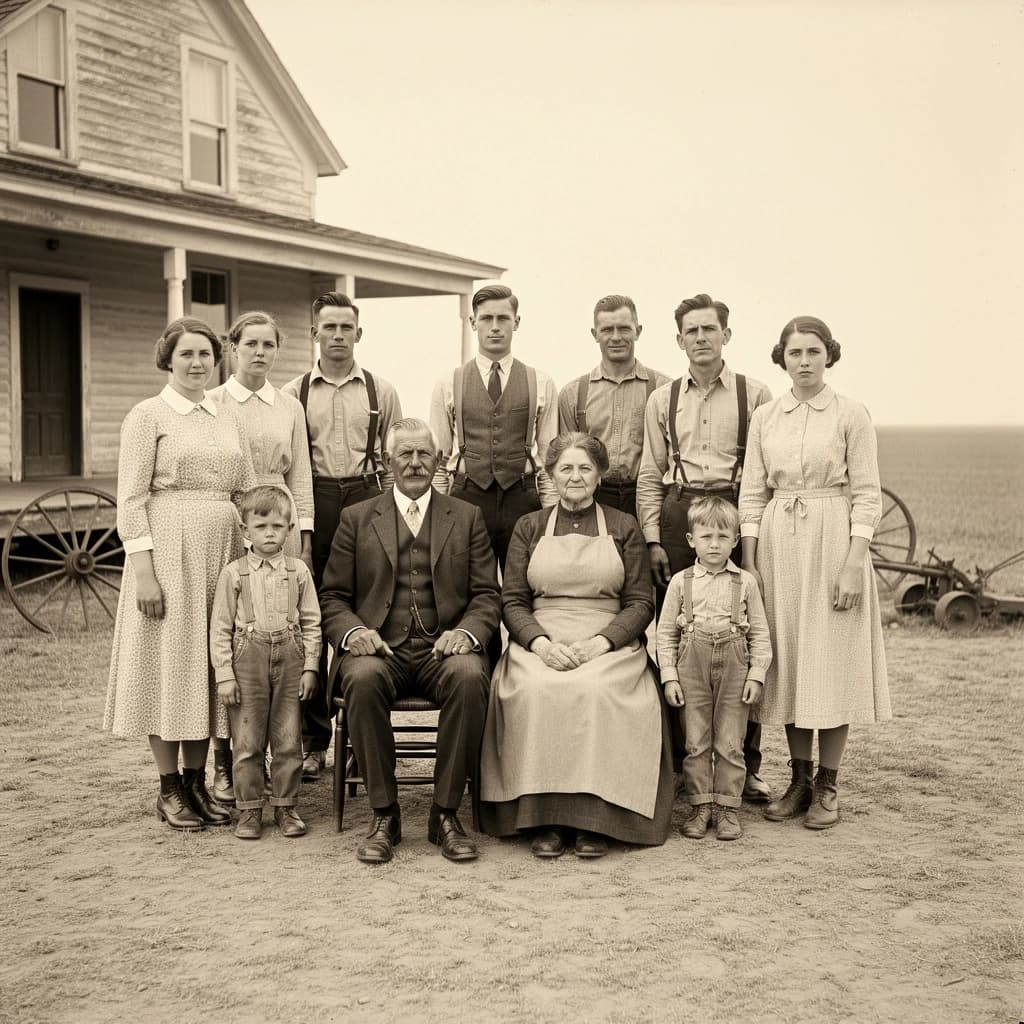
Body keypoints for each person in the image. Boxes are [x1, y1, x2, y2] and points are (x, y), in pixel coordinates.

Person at [479, 432, 675, 859]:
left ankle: (596, 820)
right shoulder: (529, 527)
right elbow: (511, 599)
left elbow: (641, 602)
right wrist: (541, 645)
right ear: (550, 474)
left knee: (597, 690)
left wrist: (602, 644)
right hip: (542, 638)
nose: (575, 476)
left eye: (585, 467)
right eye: (565, 467)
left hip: (608, 640)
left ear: (600, 475)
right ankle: (544, 819)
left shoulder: (624, 526)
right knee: (534, 689)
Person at [319, 418, 500, 865]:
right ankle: (385, 815)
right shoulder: (356, 518)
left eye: (424, 454)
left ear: (438, 461)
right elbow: (333, 596)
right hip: (381, 651)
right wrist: (354, 632)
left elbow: (486, 595)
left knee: (469, 675)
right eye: (406, 454)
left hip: (444, 649)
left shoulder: (467, 516)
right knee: (359, 679)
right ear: (386, 462)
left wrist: (467, 632)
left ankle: (445, 814)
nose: (416, 463)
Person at [104, 317, 255, 832]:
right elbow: (130, 499)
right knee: (171, 665)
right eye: (186, 354)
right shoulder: (148, 416)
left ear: (218, 361)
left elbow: (245, 489)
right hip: (168, 553)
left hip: (223, 551)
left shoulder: (225, 416)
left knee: (209, 667)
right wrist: (144, 571)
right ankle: (169, 786)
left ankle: (196, 781)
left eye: (205, 356)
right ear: (168, 360)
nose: (196, 364)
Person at [739, 316, 891, 830]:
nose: (804, 361)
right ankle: (798, 779)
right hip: (780, 543)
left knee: (830, 660)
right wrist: (752, 561)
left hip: (833, 540)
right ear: (780, 358)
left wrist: (853, 562)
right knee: (790, 662)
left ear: (829, 355)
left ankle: (828, 784)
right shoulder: (766, 417)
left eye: (813, 352)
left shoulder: (852, 414)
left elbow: (867, 493)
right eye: (794, 352)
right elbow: (752, 494)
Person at [636, 292, 773, 803]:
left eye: (709, 329)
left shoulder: (755, 395)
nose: (700, 338)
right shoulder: (662, 400)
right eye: (691, 331)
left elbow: (763, 476)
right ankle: (683, 767)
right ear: (678, 340)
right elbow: (651, 475)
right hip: (679, 511)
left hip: (737, 507)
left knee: (741, 629)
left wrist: (753, 541)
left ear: (726, 335)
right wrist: (653, 538)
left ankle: (748, 766)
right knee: (677, 629)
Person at [281, 292, 402, 781]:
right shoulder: (294, 393)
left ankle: (357, 738)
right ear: (314, 333)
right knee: (312, 617)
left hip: (369, 498)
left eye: (345, 328)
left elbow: (397, 462)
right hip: (315, 504)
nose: (336, 336)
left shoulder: (382, 391)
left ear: (359, 333)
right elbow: (290, 466)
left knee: (364, 610)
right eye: (327, 328)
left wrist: (395, 518)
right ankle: (313, 742)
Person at [208, 310, 315, 804]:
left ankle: (280, 762)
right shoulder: (213, 403)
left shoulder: (289, 404)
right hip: (230, 526)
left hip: (279, 526)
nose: (259, 353)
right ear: (233, 348)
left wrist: (303, 536)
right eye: (249, 343)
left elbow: (301, 479)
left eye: (268, 345)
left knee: (278, 636)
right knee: (235, 643)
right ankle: (226, 764)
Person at [656, 497, 771, 841]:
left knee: (731, 741)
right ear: (691, 540)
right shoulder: (680, 582)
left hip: (735, 664)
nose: (714, 545)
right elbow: (665, 635)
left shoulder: (745, 583)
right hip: (692, 663)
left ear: (736, 540)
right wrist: (669, 676)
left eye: (723, 537)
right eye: (706, 537)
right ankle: (700, 805)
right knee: (695, 739)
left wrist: (756, 674)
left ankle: (727, 808)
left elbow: (761, 634)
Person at [210, 486, 321, 840]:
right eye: (261, 527)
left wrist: (311, 667)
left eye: (277, 526)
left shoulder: (299, 572)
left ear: (290, 529)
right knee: (247, 741)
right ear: (245, 531)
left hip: (290, 659)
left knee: (288, 739)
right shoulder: (234, 574)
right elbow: (221, 627)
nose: (270, 533)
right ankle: (249, 810)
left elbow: (311, 622)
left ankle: (286, 807)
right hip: (247, 662)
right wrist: (225, 675)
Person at [429, 284, 558, 570]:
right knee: (469, 585)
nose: (495, 327)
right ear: (473, 323)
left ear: (517, 322)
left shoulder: (542, 382)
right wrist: (437, 511)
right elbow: (437, 460)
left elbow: (551, 461)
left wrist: (550, 514)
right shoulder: (448, 382)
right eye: (486, 319)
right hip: (467, 498)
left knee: (524, 583)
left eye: (503, 319)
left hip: (522, 499)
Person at [558, 295, 671, 521]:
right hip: (592, 498)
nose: (616, 337)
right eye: (607, 329)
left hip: (646, 498)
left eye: (624, 329)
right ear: (595, 334)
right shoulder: (573, 393)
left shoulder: (664, 389)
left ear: (638, 331)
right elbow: (565, 461)